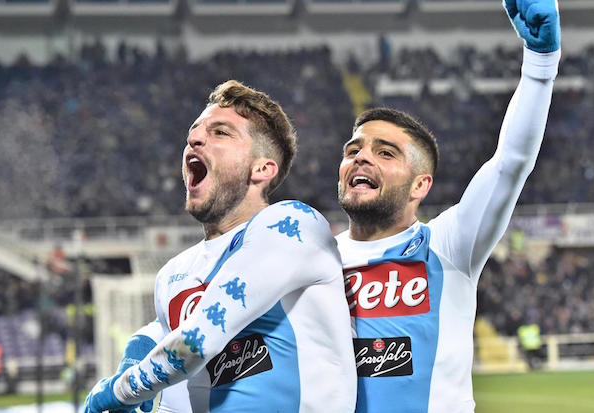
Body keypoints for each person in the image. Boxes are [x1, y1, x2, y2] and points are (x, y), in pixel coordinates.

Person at [337, 0, 560, 410]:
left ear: (421, 185)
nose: (362, 157)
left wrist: (540, 63)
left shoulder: (449, 245)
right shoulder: (315, 259)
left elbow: (510, 163)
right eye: (354, 150)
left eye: (385, 153)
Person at [83, 80, 356, 413]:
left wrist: (119, 391)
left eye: (220, 133)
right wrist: (143, 342)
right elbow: (177, 397)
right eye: (194, 131)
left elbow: (198, 340)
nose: (195, 139)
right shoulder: (174, 275)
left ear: (262, 168)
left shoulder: (293, 226)